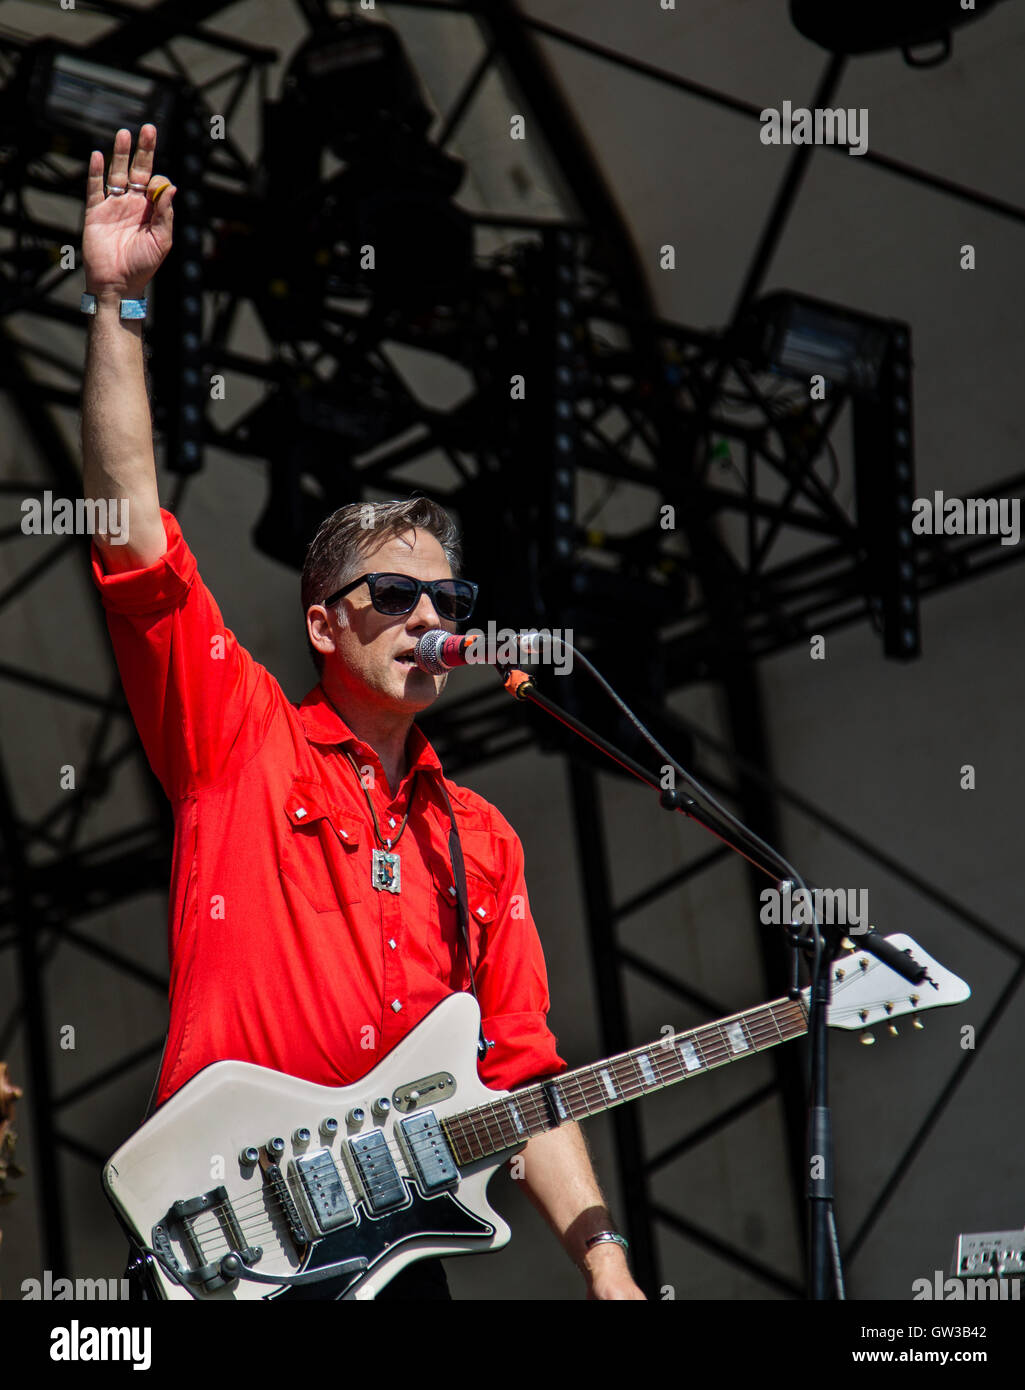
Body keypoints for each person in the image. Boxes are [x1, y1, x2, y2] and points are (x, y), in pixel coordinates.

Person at [81, 124, 645, 1302]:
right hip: (230, 1245)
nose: (425, 615)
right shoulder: (238, 731)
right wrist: (119, 309)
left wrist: (605, 1265)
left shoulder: (478, 840)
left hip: (392, 1264)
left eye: (448, 597)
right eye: (391, 595)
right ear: (325, 625)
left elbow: (521, 1072)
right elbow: (130, 520)